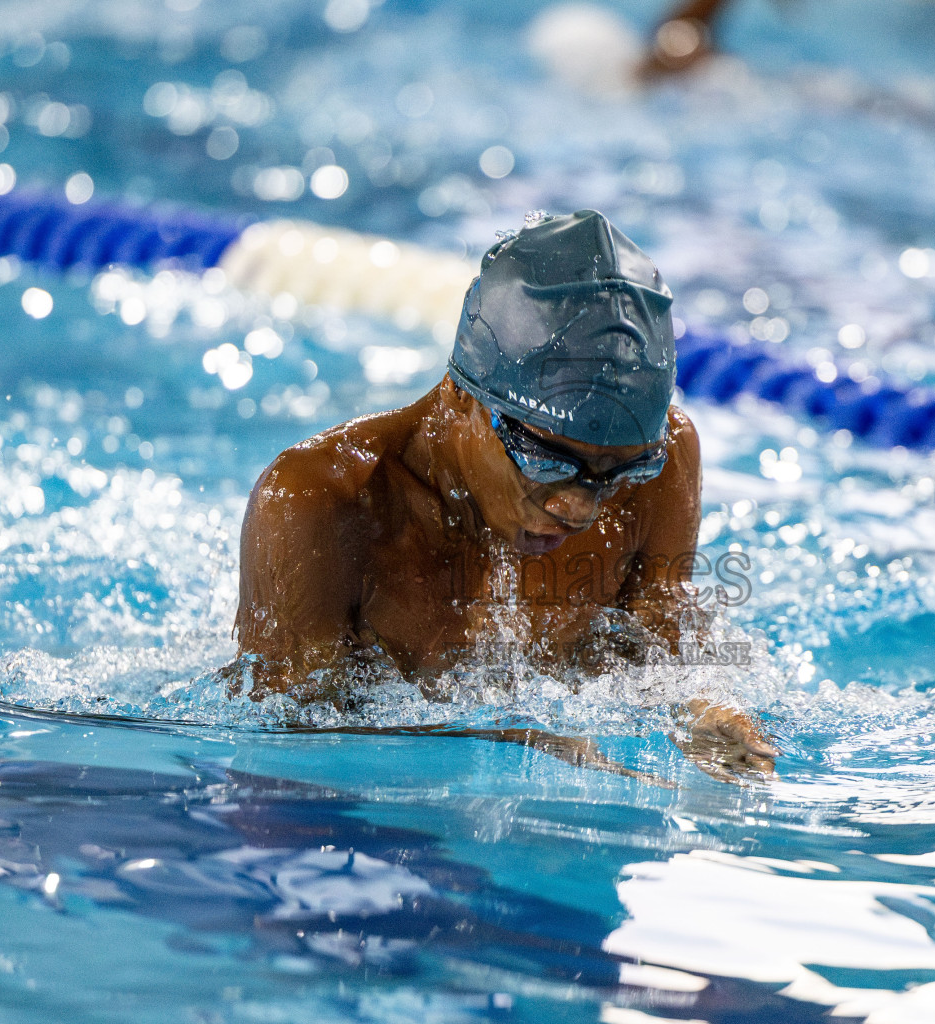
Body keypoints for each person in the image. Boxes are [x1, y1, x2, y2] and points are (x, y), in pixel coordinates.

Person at [233, 210, 776, 780]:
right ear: (462, 397)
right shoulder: (319, 503)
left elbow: (660, 638)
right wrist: (506, 738)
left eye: (619, 473)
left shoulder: (664, 462)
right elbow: (285, 752)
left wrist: (704, 705)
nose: (582, 508)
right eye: (546, 460)